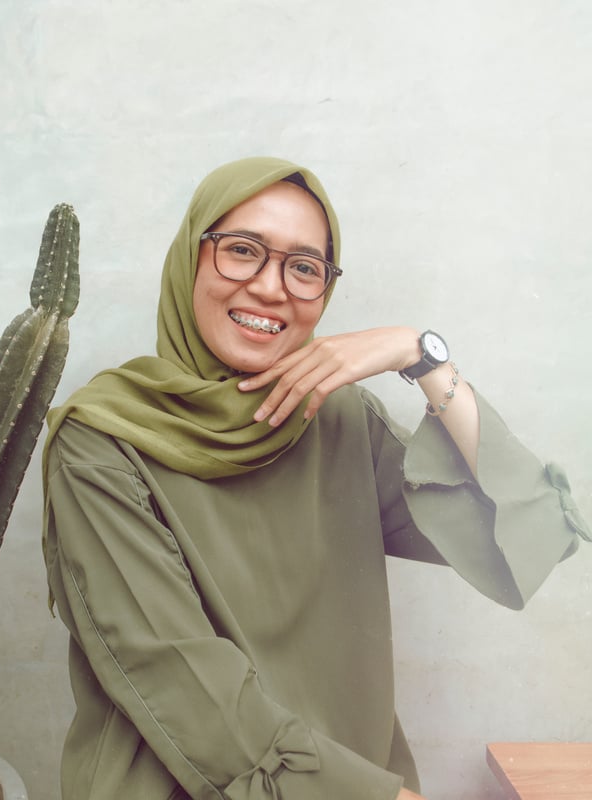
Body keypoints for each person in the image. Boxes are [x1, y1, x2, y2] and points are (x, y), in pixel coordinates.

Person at [41, 157, 589, 800]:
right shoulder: (102, 441)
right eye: (242, 251)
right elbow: (177, 680)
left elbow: (517, 529)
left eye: (303, 267)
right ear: (190, 258)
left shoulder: (334, 417)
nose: (272, 287)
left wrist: (420, 357)